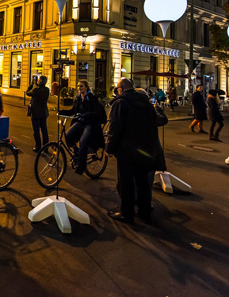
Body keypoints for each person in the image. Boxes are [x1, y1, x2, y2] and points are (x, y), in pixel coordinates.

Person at [105, 78, 165, 224]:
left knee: (126, 183)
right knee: (142, 183)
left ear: (120, 89)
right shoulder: (145, 102)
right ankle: (144, 213)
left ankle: (127, 214)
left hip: (126, 150)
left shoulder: (121, 103)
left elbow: (115, 128)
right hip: (144, 150)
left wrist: (110, 148)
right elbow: (153, 124)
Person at [60, 80, 107, 174]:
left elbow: (97, 112)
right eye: (78, 86)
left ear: (86, 87)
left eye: (81, 86)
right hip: (81, 122)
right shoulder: (78, 98)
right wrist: (61, 112)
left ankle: (81, 166)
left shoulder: (92, 98)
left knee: (83, 141)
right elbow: (73, 110)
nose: (79, 88)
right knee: (68, 135)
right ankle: (77, 153)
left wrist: (86, 115)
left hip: (90, 123)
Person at [26, 75, 50, 152]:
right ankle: (46, 147)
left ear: (39, 81)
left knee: (36, 131)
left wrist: (31, 84)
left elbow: (27, 93)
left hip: (36, 113)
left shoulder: (35, 90)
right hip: (44, 112)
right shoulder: (47, 90)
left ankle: (38, 146)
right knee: (44, 130)